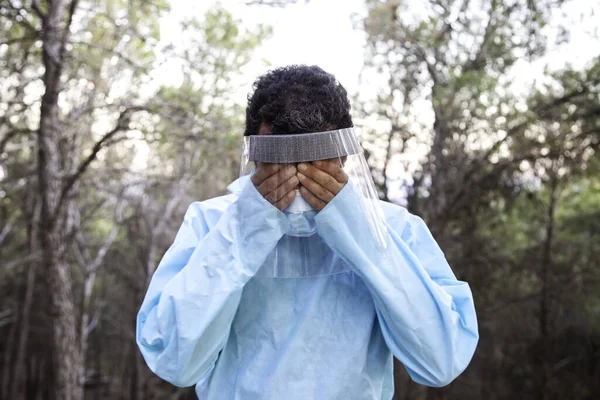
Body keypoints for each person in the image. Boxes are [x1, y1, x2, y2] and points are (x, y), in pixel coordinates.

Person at [136, 65, 479, 399]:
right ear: (256, 156)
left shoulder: (394, 228)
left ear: (342, 156)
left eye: (314, 161)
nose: (297, 177)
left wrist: (361, 235)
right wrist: (243, 230)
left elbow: (441, 360)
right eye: (279, 161)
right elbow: (173, 361)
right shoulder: (211, 222)